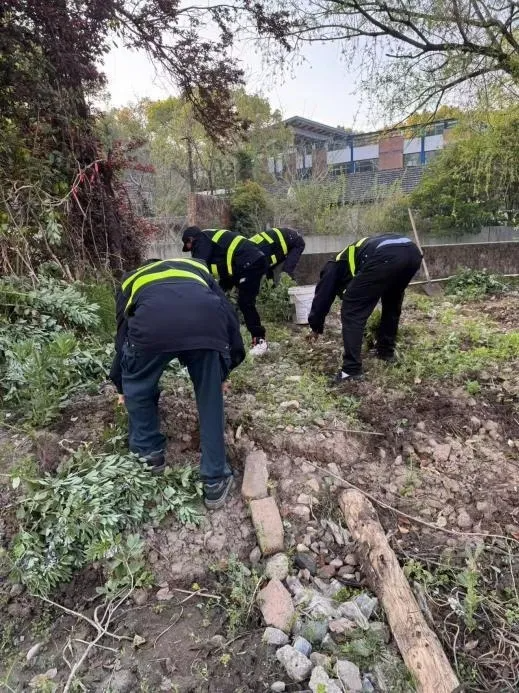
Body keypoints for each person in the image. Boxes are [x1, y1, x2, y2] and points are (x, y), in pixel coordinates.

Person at [109, 257, 245, 510]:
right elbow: (229, 316)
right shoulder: (199, 268)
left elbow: (122, 336)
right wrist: (223, 371)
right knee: (210, 399)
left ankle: (148, 455)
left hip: (151, 329)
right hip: (205, 325)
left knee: (139, 385)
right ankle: (215, 479)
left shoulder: (131, 280)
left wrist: (123, 385)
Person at [308, 233, 422, 383]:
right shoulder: (352, 257)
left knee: (352, 310)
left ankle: (351, 370)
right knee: (392, 302)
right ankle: (386, 351)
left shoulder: (333, 266)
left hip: (386, 255)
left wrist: (315, 326)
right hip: (412, 253)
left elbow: (322, 297)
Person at [181, 226, 269, 356]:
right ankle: (223, 338)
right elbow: (220, 269)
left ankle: (259, 340)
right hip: (240, 266)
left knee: (245, 302)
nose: (190, 250)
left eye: (189, 246)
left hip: (250, 262)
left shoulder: (201, 240)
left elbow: (198, 266)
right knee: (218, 296)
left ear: (191, 239)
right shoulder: (210, 239)